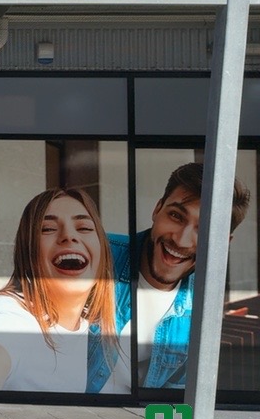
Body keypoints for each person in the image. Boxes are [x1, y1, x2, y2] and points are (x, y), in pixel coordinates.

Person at [87, 162, 251, 392]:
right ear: (157, 209)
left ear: (223, 244)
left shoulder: (202, 304)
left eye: (204, 229)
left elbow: (175, 394)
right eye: (176, 216)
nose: (181, 240)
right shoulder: (95, 255)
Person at [0, 188, 122, 392]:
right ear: (28, 252)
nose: (69, 236)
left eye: (84, 228)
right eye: (48, 229)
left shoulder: (92, 328)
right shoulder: (10, 317)